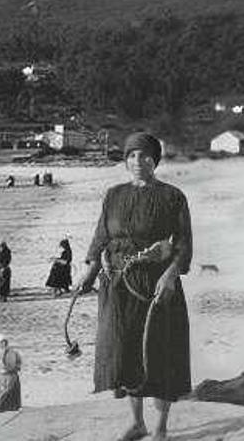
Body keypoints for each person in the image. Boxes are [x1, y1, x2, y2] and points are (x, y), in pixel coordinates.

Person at [75, 132, 192, 441]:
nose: (137, 162)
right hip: (117, 284)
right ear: (124, 160)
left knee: (160, 352)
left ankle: (161, 428)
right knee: (126, 349)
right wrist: (89, 270)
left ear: (155, 160)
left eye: (144, 156)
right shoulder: (113, 195)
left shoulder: (172, 196)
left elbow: (182, 243)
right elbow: (101, 236)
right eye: (131, 156)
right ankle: (137, 422)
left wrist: (170, 275)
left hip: (156, 285)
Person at [0, 334, 22, 414]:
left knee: (12, 391)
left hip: (12, 374)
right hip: (2, 375)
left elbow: (18, 361)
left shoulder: (13, 352)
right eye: (1, 342)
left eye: (4, 342)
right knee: (1, 391)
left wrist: (17, 368)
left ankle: (13, 407)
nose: (3, 344)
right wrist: (2, 369)